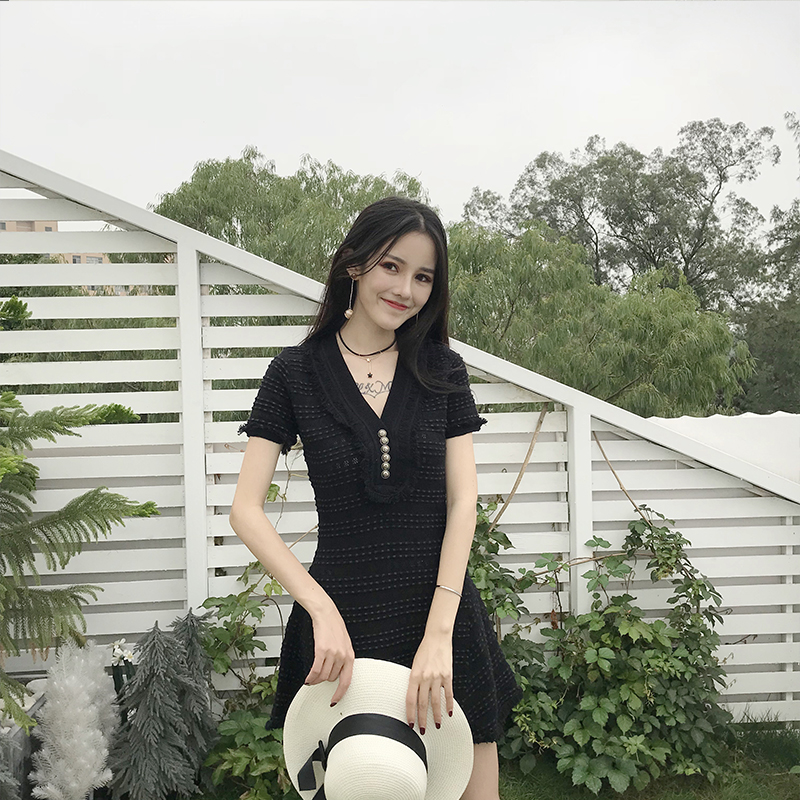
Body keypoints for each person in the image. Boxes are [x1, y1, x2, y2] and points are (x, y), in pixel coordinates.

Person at [231, 196, 521, 799]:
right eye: (392, 266)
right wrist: (321, 611)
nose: (406, 289)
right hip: (343, 628)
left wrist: (439, 634)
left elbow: (463, 502)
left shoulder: (442, 368)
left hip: (441, 621)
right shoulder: (293, 373)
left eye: (424, 277)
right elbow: (245, 510)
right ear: (355, 264)